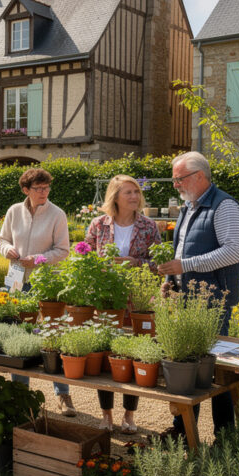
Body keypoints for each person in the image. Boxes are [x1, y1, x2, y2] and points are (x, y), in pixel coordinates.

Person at [158, 151, 239, 435]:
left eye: (179, 179)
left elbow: (235, 251)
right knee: (186, 367)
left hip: (213, 303)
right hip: (187, 301)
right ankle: (183, 431)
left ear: (199, 176)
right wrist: (171, 280)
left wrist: (185, 266)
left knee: (216, 370)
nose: (175, 185)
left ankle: (224, 435)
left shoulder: (224, 206)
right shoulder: (190, 206)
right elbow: (181, 250)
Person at [84, 174, 161, 433]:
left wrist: (136, 263)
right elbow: (85, 257)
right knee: (106, 355)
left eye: (136, 192)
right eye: (128, 192)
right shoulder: (98, 224)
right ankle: (106, 414)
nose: (134, 196)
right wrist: (99, 268)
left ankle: (129, 414)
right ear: (115, 197)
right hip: (107, 299)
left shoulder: (148, 226)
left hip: (138, 300)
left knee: (133, 355)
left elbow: (159, 263)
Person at [0, 168, 73, 413]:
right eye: (38, 188)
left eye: (46, 187)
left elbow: (63, 250)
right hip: (16, 281)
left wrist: (37, 259)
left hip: (46, 282)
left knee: (53, 335)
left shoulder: (57, 214)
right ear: (25, 190)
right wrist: (7, 250)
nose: (44, 192)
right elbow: (1, 239)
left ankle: (63, 394)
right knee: (19, 335)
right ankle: (20, 393)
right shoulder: (14, 211)